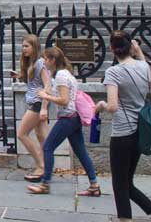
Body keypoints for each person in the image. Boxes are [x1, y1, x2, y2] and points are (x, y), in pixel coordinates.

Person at [95, 31, 151, 222]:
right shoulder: (143, 66)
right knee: (127, 183)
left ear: (112, 49)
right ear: (131, 47)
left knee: (120, 185)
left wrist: (101, 106)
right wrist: (140, 54)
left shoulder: (113, 72)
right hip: (140, 132)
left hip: (122, 133)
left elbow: (112, 106)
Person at [27, 47, 100, 196]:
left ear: (53, 60)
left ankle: (45, 184)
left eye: (46, 59)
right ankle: (94, 185)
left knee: (47, 147)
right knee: (80, 151)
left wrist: (45, 96)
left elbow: (64, 100)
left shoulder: (61, 75)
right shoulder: (65, 74)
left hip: (68, 118)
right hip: (74, 117)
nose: (44, 62)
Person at [10, 35, 50, 182]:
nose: (24, 49)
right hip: (35, 101)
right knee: (41, 136)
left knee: (22, 134)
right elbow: (35, 83)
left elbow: (47, 86)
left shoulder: (40, 63)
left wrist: (45, 107)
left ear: (34, 47)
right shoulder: (33, 63)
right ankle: (46, 166)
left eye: (27, 46)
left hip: (38, 103)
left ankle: (41, 165)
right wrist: (20, 75)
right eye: (23, 46)